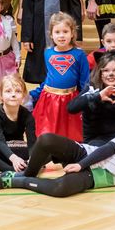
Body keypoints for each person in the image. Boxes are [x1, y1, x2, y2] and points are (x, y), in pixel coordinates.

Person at [33, 13, 89, 141]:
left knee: (70, 132)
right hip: (49, 99)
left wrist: (83, 100)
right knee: (48, 130)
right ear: (51, 35)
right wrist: (35, 93)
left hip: (71, 98)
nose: (61, 35)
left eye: (65, 31)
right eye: (57, 32)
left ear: (72, 33)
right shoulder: (48, 53)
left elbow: (85, 81)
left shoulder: (79, 54)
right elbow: (49, 77)